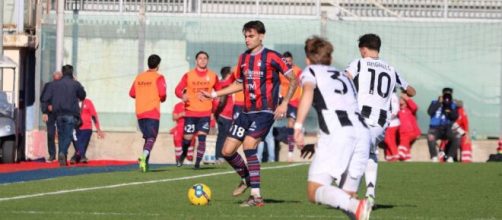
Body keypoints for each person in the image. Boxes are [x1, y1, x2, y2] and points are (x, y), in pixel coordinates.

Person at [201, 20, 297, 207]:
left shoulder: (273, 57)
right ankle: (246, 178)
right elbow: (239, 84)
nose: (247, 39)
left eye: (251, 36)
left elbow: (293, 79)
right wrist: (213, 94)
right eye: (245, 36)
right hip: (246, 112)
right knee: (227, 151)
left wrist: (284, 103)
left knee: (249, 145)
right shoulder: (243, 58)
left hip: (265, 111)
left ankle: (256, 197)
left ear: (261, 36)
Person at [294, 36, 372, 220]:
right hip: (362, 133)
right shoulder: (344, 76)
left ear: (308, 58)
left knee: (314, 190)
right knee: (348, 195)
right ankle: (356, 206)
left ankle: (356, 205)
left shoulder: (311, 71)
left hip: (339, 133)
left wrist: (298, 126)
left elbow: (307, 92)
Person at [345, 33, 416, 207]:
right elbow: (411, 91)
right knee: (370, 152)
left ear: (363, 49)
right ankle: (369, 194)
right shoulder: (391, 69)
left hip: (362, 117)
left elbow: (345, 77)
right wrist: (402, 91)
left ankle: (350, 195)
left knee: (354, 153)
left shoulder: (359, 63)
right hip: (382, 122)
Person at [175, 51, 220, 169]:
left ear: (208, 61)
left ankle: (197, 164)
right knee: (187, 138)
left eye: (205, 58)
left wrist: (214, 107)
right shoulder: (188, 75)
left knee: (202, 138)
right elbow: (177, 89)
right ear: (196, 61)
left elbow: (219, 92)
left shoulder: (213, 76)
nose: (203, 60)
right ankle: (183, 155)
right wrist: (182, 96)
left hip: (205, 113)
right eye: (200, 58)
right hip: (191, 113)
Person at [41, 65, 86, 166]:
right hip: (70, 113)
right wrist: (77, 83)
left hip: (58, 114)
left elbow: (44, 98)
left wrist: (45, 110)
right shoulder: (75, 84)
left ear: (63, 72)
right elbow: (82, 95)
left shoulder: (54, 85)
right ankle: (62, 152)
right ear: (71, 73)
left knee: (61, 136)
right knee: (69, 135)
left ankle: (63, 158)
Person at [129, 54, 167, 172]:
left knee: (147, 139)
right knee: (151, 137)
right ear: (158, 65)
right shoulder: (159, 77)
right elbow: (162, 94)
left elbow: (131, 93)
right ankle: (144, 157)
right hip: (152, 112)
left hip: (140, 113)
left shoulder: (139, 77)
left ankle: (145, 165)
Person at [280, 51, 303, 162]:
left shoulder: (298, 71)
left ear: (292, 60)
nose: (288, 63)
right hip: (283, 100)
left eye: (289, 61)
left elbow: (302, 85)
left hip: (294, 101)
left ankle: (290, 154)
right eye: (286, 61)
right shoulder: (281, 71)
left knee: (291, 123)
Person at [427, 88, 460, 162]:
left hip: (448, 128)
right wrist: (439, 103)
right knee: (430, 137)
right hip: (435, 128)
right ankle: (434, 157)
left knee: (457, 136)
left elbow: (454, 117)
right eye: (445, 95)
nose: (447, 97)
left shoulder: (453, 105)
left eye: (449, 95)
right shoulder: (434, 102)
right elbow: (430, 112)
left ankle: (450, 157)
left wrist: (448, 108)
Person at [70, 98, 105, 164]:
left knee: (82, 145)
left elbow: (94, 115)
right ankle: (82, 157)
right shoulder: (72, 102)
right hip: (75, 128)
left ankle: (75, 157)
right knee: (79, 145)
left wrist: (98, 129)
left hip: (87, 128)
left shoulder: (88, 102)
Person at [40, 71, 63, 162]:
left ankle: (62, 153)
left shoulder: (64, 86)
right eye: (55, 76)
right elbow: (43, 99)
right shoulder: (48, 85)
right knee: (50, 134)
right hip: (50, 113)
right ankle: (52, 154)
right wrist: (45, 111)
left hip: (62, 112)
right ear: (53, 77)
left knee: (62, 133)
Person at [214, 66, 234, 163]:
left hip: (220, 114)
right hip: (226, 115)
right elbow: (222, 99)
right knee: (225, 136)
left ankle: (219, 156)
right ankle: (221, 156)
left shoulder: (220, 83)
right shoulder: (227, 85)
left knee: (221, 136)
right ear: (228, 74)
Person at [170, 101, 195, 166]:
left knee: (190, 142)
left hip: (190, 126)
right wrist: (181, 114)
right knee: (177, 141)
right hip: (180, 126)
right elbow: (173, 118)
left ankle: (189, 160)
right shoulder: (178, 105)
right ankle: (178, 161)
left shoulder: (193, 104)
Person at [397, 92, 421, 161]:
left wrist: (406, 98)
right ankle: (407, 157)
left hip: (411, 132)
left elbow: (414, 107)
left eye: (402, 100)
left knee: (404, 139)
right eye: (400, 99)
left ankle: (401, 152)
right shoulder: (398, 111)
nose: (400, 102)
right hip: (402, 134)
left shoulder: (410, 110)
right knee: (405, 142)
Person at [383, 92, 400, 161]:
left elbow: (396, 110)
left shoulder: (393, 95)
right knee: (387, 140)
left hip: (393, 123)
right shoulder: (386, 94)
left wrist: (388, 117)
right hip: (386, 123)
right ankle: (389, 156)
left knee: (389, 139)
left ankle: (395, 155)